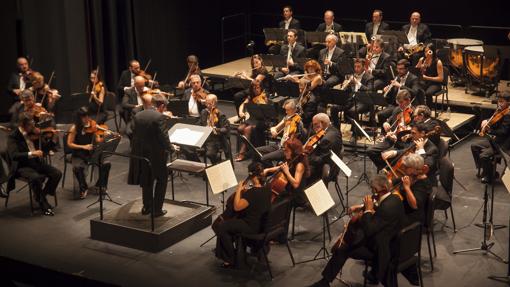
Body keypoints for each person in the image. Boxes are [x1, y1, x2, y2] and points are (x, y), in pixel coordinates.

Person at [308, 174, 404, 287]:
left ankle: (324, 283)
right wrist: (362, 207)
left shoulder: (387, 208)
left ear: (382, 189)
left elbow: (369, 230)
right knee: (352, 236)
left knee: (342, 249)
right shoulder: (394, 198)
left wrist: (367, 211)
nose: (372, 192)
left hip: (380, 250)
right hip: (390, 241)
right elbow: (379, 210)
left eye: (373, 189)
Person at [214, 162, 271, 268]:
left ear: (251, 175)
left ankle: (229, 259)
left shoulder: (252, 193)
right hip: (262, 225)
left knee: (222, 226)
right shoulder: (267, 189)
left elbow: (237, 206)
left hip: (251, 226)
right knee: (231, 223)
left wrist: (239, 190)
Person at [6, 112, 62, 215]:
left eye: (33, 124)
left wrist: (53, 139)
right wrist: (32, 153)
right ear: (23, 125)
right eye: (30, 125)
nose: (33, 127)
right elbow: (14, 155)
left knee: (57, 173)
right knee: (36, 178)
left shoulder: (34, 133)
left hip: (36, 163)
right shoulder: (13, 137)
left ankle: (41, 196)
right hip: (22, 166)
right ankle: (43, 203)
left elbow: (45, 149)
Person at [130, 94, 172, 216]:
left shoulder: (138, 115)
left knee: (147, 180)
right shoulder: (160, 117)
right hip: (156, 155)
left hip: (141, 154)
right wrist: (171, 148)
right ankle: (157, 209)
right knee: (162, 180)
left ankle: (146, 207)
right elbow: (164, 137)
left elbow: (134, 132)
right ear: (162, 106)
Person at [66, 107, 114, 199]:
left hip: (91, 151)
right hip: (79, 152)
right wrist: (83, 146)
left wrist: (104, 137)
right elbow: (69, 143)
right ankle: (83, 187)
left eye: (87, 116)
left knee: (106, 164)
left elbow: (97, 140)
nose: (87, 119)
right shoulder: (74, 128)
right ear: (79, 118)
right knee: (77, 168)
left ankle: (100, 186)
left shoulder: (92, 125)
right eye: (84, 117)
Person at [471, 94, 510, 183]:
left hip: (503, 144)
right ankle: (488, 171)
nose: (499, 103)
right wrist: (487, 121)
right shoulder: (500, 111)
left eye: (502, 101)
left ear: (508, 103)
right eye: (498, 101)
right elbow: (496, 121)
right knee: (474, 146)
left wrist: (490, 130)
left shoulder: (508, 114)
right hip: (495, 140)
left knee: (484, 155)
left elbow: (503, 132)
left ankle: (489, 175)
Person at [181, 94, 230, 164]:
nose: (207, 105)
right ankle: (198, 165)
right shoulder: (204, 112)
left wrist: (216, 129)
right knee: (185, 146)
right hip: (203, 137)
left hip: (213, 139)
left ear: (214, 103)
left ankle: (216, 162)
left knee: (210, 154)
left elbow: (225, 129)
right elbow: (200, 123)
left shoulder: (220, 114)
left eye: (209, 103)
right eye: (206, 102)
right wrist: (191, 129)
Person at [330, 58, 374, 136]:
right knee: (334, 108)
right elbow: (346, 91)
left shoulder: (369, 77)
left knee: (353, 111)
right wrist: (346, 85)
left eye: (358, 67)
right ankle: (337, 131)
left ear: (364, 67)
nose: (356, 69)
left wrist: (358, 83)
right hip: (350, 99)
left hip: (362, 101)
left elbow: (369, 91)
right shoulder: (351, 76)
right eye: (355, 67)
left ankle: (355, 133)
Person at [264, 136, 310, 209]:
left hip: (295, 195)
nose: (284, 152)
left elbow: (296, 184)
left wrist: (287, 172)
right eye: (284, 150)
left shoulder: (300, 165)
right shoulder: (292, 159)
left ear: (294, 151)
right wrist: (268, 169)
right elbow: (282, 167)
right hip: (289, 189)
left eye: (286, 151)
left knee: (270, 196)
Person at [257, 99, 305, 167]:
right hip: (280, 145)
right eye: (285, 110)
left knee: (264, 158)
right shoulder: (287, 118)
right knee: (257, 151)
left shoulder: (298, 123)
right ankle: (270, 169)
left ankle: (271, 171)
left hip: (287, 149)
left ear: (294, 110)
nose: (286, 112)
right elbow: (275, 128)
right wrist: (273, 130)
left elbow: (296, 142)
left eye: (288, 110)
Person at [235, 81, 269, 162]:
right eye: (254, 88)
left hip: (262, 121)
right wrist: (240, 111)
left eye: (258, 88)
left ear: (261, 88)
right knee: (240, 128)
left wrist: (265, 101)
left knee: (247, 129)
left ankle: (242, 153)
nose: (256, 90)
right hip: (253, 119)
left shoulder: (264, 96)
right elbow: (243, 104)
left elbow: (267, 110)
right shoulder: (251, 96)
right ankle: (249, 150)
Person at [307, 113, 342, 183]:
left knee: (300, 169)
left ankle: (299, 191)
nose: (313, 127)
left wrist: (307, 157)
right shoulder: (333, 129)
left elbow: (321, 160)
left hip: (324, 169)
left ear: (322, 123)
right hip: (330, 163)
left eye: (315, 124)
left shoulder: (327, 139)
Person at [416, 43, 444, 109]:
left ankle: (428, 110)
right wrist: (421, 67)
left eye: (428, 51)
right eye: (425, 51)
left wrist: (427, 78)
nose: (426, 53)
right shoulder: (422, 59)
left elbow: (441, 78)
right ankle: (419, 108)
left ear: (432, 52)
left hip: (435, 84)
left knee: (428, 93)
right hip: (424, 82)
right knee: (416, 90)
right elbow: (415, 71)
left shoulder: (438, 62)